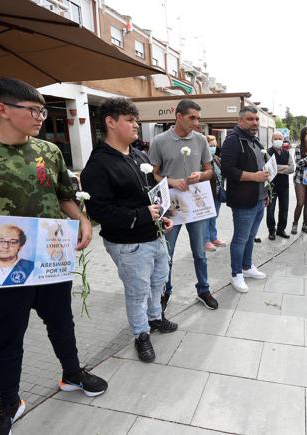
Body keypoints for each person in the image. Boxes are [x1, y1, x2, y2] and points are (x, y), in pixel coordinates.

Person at [0, 77, 107, 435]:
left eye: (42, 109)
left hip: (50, 254)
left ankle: (72, 373)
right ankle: (9, 403)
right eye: (33, 110)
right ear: (2, 110)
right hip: (1, 258)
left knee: (61, 322)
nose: (40, 116)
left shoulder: (48, 152)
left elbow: (65, 195)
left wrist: (82, 221)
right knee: (8, 335)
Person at [81, 97, 177, 363]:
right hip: (128, 243)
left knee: (158, 281)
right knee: (137, 291)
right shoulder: (98, 165)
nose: (136, 125)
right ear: (110, 122)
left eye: (136, 120)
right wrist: (141, 215)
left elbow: (148, 193)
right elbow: (99, 212)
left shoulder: (137, 154)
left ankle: (155, 317)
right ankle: (141, 335)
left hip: (153, 234)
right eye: (130, 120)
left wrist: (161, 216)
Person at [149, 99, 217, 310]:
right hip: (171, 205)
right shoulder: (159, 141)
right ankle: (164, 291)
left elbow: (210, 171)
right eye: (192, 118)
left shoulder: (200, 140)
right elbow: (153, 173)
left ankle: (203, 289)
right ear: (178, 116)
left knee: (199, 251)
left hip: (195, 205)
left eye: (198, 118)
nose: (196, 122)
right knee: (166, 253)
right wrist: (170, 181)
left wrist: (201, 175)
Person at [220, 106, 269, 293]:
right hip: (243, 200)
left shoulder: (254, 140)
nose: (255, 122)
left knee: (250, 237)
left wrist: (266, 193)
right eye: (250, 119)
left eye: (256, 119)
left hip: (259, 199)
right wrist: (254, 177)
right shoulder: (233, 141)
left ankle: (247, 267)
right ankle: (236, 274)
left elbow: (261, 168)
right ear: (240, 121)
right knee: (240, 239)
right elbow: (227, 170)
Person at [266, 131, 294, 240]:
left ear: (283, 140)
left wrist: (277, 168)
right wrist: (284, 167)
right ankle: (271, 231)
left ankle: (281, 229)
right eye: (275, 138)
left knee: (284, 209)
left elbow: (292, 168)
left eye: (280, 138)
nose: (278, 140)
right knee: (270, 209)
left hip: (284, 186)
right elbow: (269, 168)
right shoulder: (268, 152)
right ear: (272, 140)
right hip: (271, 185)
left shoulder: (287, 153)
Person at [204, 135, 227, 252]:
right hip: (207, 193)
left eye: (214, 146)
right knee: (207, 218)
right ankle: (206, 240)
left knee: (214, 217)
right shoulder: (203, 161)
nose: (212, 148)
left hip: (217, 193)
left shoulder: (216, 158)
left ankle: (213, 238)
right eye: (210, 146)